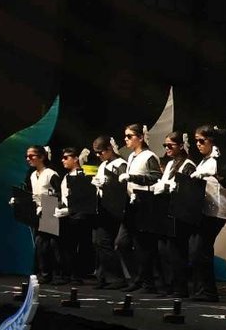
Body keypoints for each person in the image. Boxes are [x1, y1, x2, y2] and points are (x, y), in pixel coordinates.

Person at [188, 126, 226, 302]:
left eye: (202, 140)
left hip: (215, 211)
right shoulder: (204, 160)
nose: (198, 144)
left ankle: (208, 292)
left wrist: (216, 174)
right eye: (196, 141)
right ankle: (200, 289)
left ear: (211, 140)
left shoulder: (219, 158)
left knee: (201, 250)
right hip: (203, 210)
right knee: (196, 250)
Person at [115, 123, 162, 292]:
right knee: (122, 243)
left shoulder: (149, 156)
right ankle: (137, 278)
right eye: (125, 136)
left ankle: (147, 282)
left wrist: (133, 177)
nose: (126, 139)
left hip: (144, 204)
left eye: (130, 136)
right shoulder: (131, 157)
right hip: (130, 204)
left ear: (140, 137)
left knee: (143, 245)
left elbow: (156, 178)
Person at [153, 132, 196, 297]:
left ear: (181, 146)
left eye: (170, 145)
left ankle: (180, 287)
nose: (167, 148)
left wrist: (171, 188)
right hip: (167, 211)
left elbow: (189, 189)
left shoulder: (188, 165)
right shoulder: (170, 163)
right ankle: (169, 284)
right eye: (165, 145)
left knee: (177, 251)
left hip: (180, 214)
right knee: (164, 250)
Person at [89, 135, 128, 289]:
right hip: (102, 207)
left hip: (114, 208)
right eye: (96, 153)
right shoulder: (103, 164)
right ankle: (103, 277)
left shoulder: (121, 164)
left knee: (104, 241)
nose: (98, 155)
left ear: (109, 149)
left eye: (101, 152)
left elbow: (122, 187)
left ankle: (116, 278)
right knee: (97, 241)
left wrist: (107, 184)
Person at [18, 145, 61, 282]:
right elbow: (32, 194)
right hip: (38, 210)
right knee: (40, 244)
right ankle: (44, 273)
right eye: (27, 156)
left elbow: (60, 194)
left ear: (42, 157)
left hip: (50, 208)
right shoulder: (33, 175)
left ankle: (54, 274)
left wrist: (49, 204)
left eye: (31, 156)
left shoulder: (50, 174)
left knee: (49, 244)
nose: (28, 159)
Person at [57, 147, 94, 284]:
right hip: (67, 214)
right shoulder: (66, 176)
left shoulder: (83, 175)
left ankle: (77, 275)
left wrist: (71, 209)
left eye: (66, 158)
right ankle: (67, 273)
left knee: (79, 245)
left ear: (75, 158)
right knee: (67, 245)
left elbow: (85, 197)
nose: (63, 160)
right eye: (63, 158)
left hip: (79, 215)